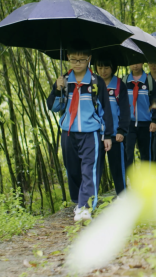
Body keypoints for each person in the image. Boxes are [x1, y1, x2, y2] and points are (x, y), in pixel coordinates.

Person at [47, 40, 113, 222]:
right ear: (67, 57)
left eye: (82, 60)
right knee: (73, 169)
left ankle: (86, 206)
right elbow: (53, 107)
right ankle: (78, 201)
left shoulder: (96, 82)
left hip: (90, 133)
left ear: (89, 59)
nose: (77, 63)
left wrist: (107, 135)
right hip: (68, 132)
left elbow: (105, 110)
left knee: (89, 168)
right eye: (74, 59)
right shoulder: (64, 81)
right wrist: (56, 89)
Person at [95, 59, 130, 195]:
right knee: (95, 169)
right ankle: (90, 201)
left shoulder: (119, 84)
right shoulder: (93, 83)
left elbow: (125, 110)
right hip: (97, 133)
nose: (103, 71)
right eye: (100, 67)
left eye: (106, 68)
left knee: (117, 167)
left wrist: (122, 130)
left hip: (116, 134)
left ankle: (122, 196)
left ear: (113, 67)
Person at [123, 63, 156, 169]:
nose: (135, 66)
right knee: (127, 153)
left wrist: (154, 120)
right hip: (128, 124)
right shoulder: (125, 80)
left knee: (145, 153)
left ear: (142, 63)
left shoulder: (149, 80)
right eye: (132, 63)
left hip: (145, 123)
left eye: (138, 62)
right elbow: (120, 102)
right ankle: (127, 180)